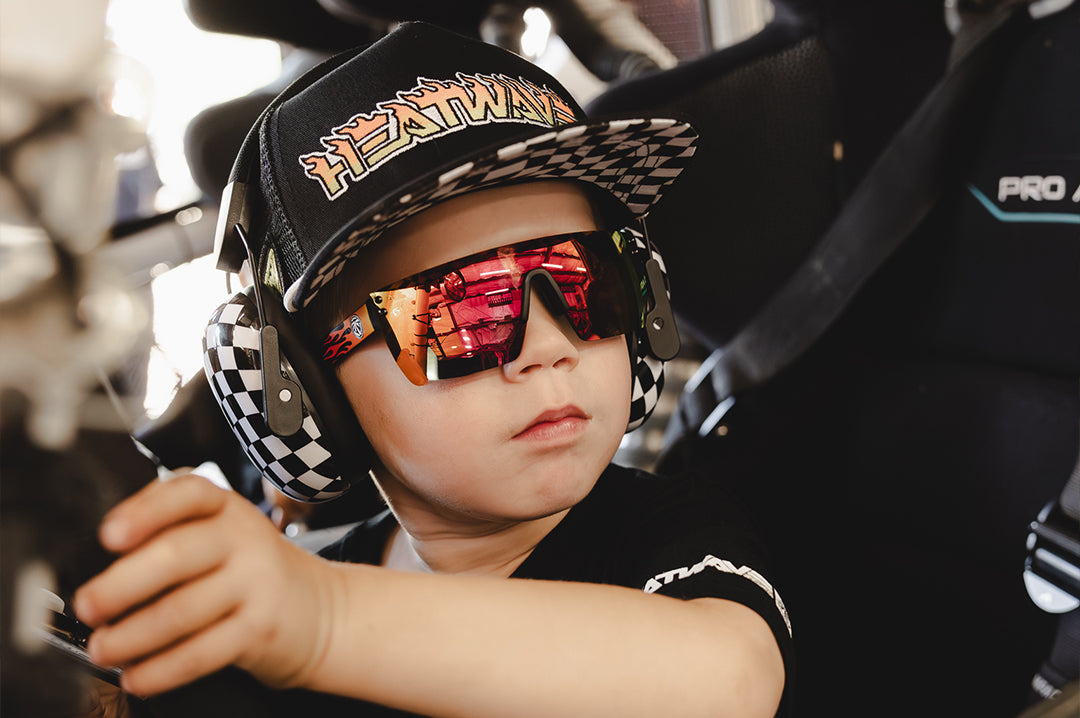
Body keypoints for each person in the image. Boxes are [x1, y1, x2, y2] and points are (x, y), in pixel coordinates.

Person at [73, 22, 793, 717]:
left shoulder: (670, 534)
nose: (549, 347)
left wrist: (321, 622)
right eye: (467, 311)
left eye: (589, 284)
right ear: (302, 388)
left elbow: (725, 683)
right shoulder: (305, 590)